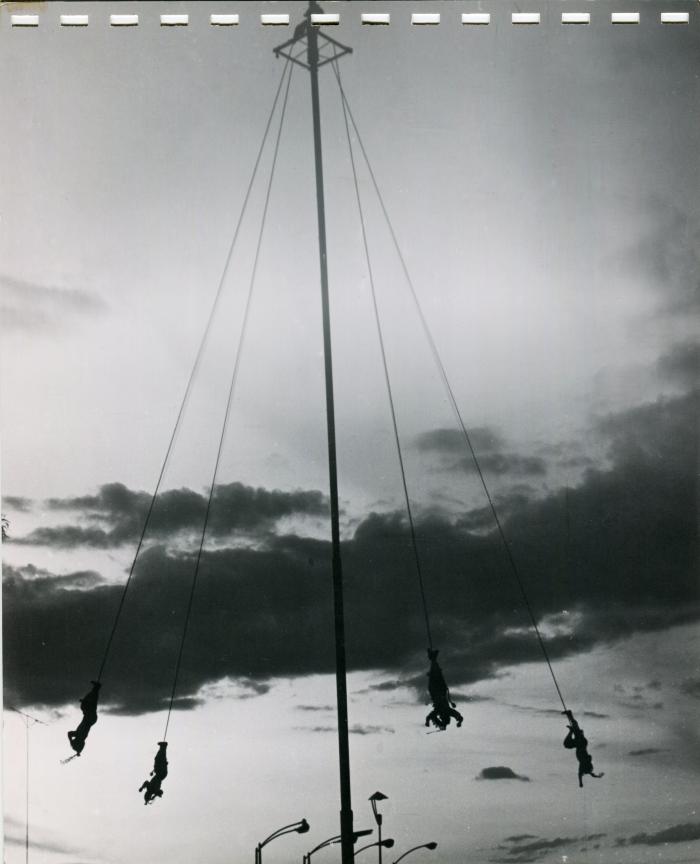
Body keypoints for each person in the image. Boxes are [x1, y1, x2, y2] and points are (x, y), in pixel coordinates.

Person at [562, 710, 604, 787]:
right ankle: (570, 716)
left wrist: (581, 783)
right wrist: (581, 782)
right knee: (575, 729)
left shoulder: (584, 768)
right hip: (581, 743)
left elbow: (585, 774)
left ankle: (571, 728)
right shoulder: (585, 766)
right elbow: (585, 774)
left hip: (579, 744)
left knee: (567, 743)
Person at [425, 649, 463, 731]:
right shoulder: (442, 711)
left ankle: (433, 659)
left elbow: (459, 717)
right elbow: (430, 717)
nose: (440, 716)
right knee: (435, 674)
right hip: (438, 690)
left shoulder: (442, 711)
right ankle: (433, 659)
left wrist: (429, 722)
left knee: (436, 674)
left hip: (440, 690)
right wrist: (429, 722)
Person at [67, 681, 101, 756]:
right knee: (90, 704)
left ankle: (96, 688)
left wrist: (77, 750)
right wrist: (71, 742)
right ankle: (96, 688)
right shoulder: (80, 735)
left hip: (90, 718)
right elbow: (69, 734)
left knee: (91, 703)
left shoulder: (79, 736)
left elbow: (69, 734)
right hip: (89, 718)